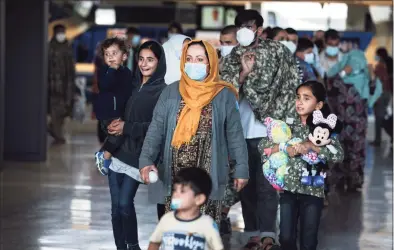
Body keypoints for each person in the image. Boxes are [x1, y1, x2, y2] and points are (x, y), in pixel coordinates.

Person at [139, 40, 249, 226]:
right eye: (189, 59)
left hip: (209, 174)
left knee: (204, 230)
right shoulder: (171, 92)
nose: (193, 64)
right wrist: (146, 160)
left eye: (199, 59)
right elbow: (156, 129)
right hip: (174, 176)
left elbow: (235, 135)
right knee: (174, 230)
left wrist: (241, 169)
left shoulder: (223, 95)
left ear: (210, 63)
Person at [221, 9, 300, 249]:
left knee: (267, 186)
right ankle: (252, 234)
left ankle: (268, 234)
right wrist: (243, 73)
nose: (245, 29)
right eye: (241, 26)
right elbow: (224, 89)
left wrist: (286, 127)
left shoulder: (278, 52)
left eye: (250, 25)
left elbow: (290, 86)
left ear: (260, 29)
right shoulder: (233, 56)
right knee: (245, 185)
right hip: (240, 132)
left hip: (269, 131)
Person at [258, 81, 344, 250]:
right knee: (286, 237)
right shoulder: (287, 123)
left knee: (309, 240)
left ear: (319, 104)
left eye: (306, 98)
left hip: (312, 190)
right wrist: (283, 147)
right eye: (298, 97)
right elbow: (263, 146)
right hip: (288, 190)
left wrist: (313, 146)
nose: (300, 102)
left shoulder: (324, 128)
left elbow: (338, 155)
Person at [104, 41, 167, 250]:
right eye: (141, 59)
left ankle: (133, 246)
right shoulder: (131, 84)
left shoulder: (163, 92)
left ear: (159, 61)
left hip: (139, 156)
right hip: (117, 151)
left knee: (124, 204)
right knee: (115, 210)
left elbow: (157, 127)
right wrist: (111, 124)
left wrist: (127, 127)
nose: (144, 64)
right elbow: (115, 108)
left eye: (150, 59)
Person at [325, 46, 382, 192]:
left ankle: (354, 182)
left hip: (358, 124)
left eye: (359, 61)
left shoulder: (366, 78)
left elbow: (373, 91)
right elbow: (328, 87)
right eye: (353, 60)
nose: (356, 64)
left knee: (356, 152)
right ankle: (338, 181)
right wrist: (344, 72)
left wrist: (372, 76)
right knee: (338, 151)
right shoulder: (338, 76)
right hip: (338, 122)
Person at [148, 167, 224, 250]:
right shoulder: (167, 219)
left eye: (182, 191)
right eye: (175, 190)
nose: (176, 194)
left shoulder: (207, 224)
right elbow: (154, 243)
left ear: (199, 199)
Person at [94, 37, 133, 175]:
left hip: (120, 113)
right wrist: (112, 69)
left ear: (124, 56)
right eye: (107, 54)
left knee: (120, 135)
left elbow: (129, 93)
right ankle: (104, 155)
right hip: (107, 113)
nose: (110, 57)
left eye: (114, 53)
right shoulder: (104, 71)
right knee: (118, 134)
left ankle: (105, 155)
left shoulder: (127, 73)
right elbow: (104, 86)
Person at [48, 24, 76, 145]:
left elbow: (71, 67)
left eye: (63, 32)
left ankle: (53, 129)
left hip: (67, 84)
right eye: (60, 32)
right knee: (56, 110)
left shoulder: (67, 46)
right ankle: (57, 134)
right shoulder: (50, 48)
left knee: (65, 110)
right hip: (54, 85)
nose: (62, 35)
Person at [372, 47, 393, 146]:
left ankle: (378, 140)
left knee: (379, 118)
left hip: (380, 94)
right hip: (388, 93)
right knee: (385, 116)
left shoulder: (380, 66)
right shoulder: (390, 63)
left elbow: (376, 80)